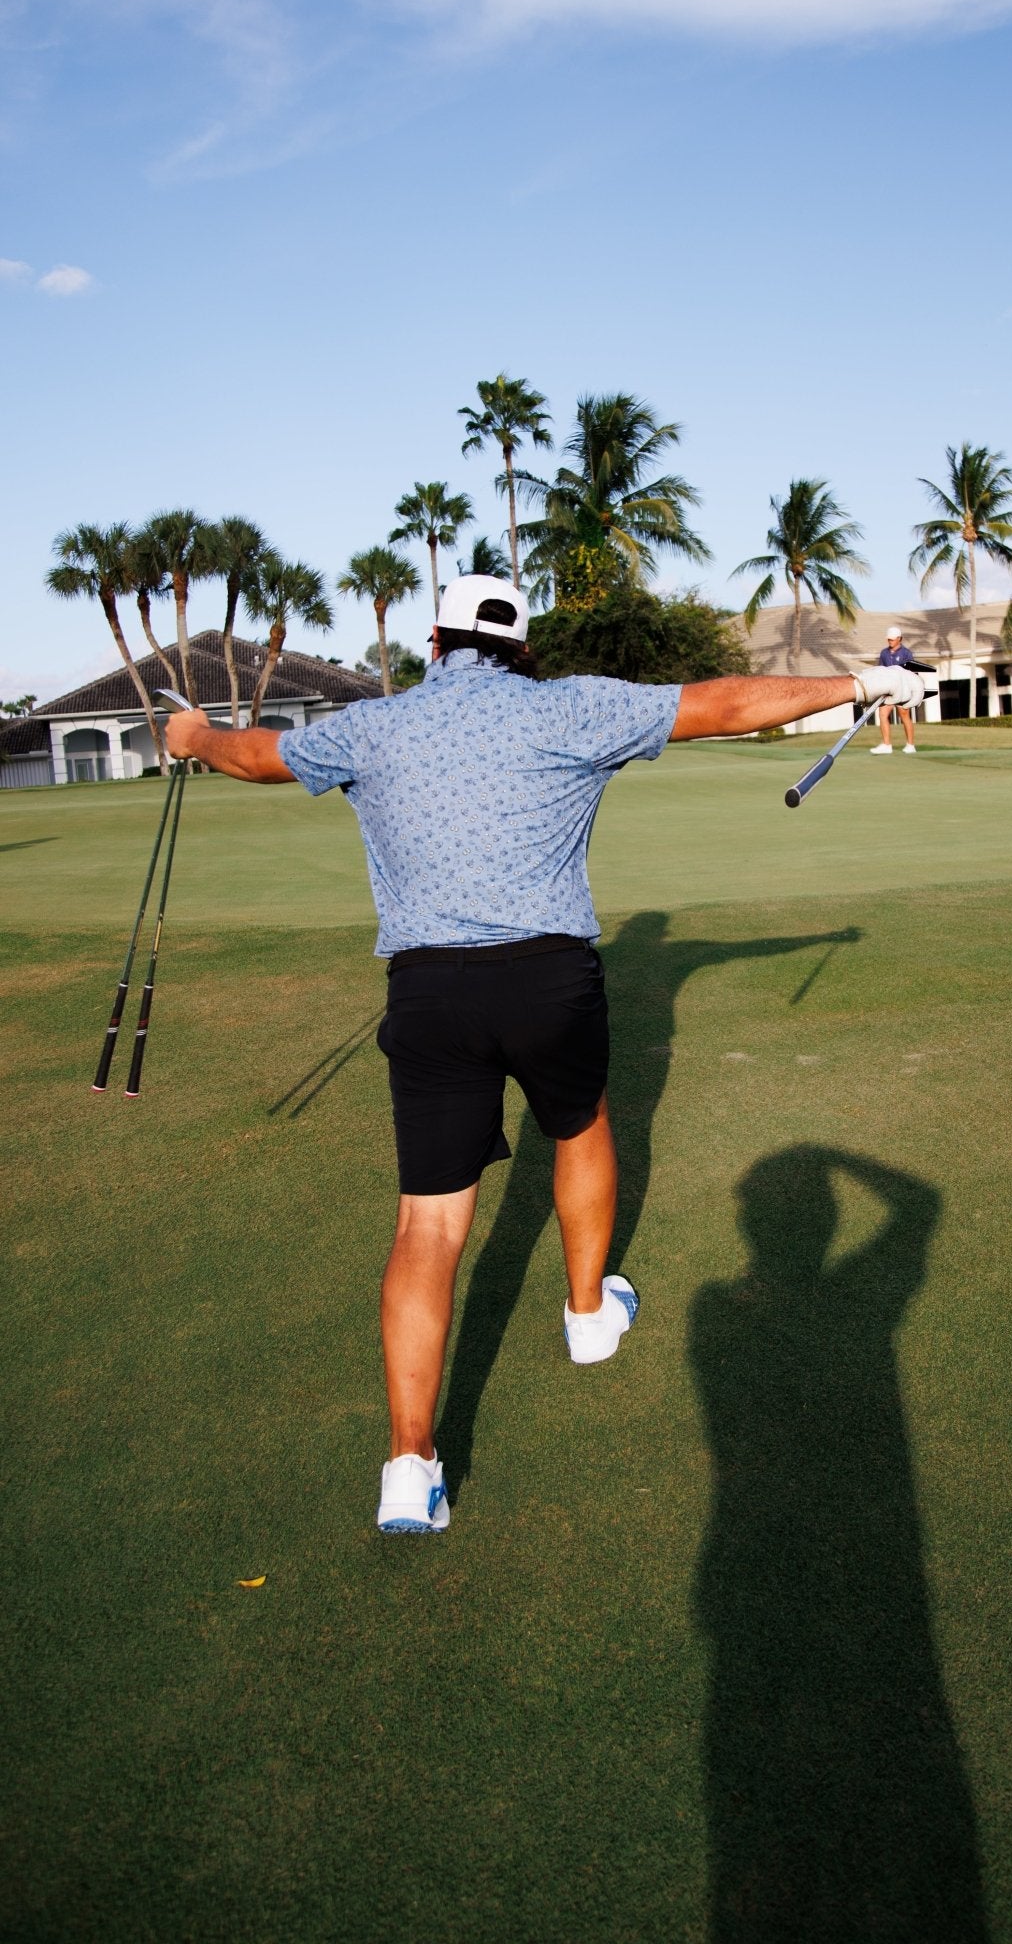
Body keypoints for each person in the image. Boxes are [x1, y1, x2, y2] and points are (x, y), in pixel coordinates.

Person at [163, 574, 918, 1534]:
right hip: (549, 981)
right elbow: (723, 703)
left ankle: (408, 1464)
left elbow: (256, 756)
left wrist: (191, 737)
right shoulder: (572, 704)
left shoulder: (373, 724)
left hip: (429, 992)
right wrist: (859, 687)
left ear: (434, 643)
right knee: (582, 1121)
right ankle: (588, 1317)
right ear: (522, 646)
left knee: (426, 1228)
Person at [869, 625, 921, 755]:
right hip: (888, 689)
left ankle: (910, 745)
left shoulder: (906, 653)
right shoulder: (884, 653)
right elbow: (881, 670)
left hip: (903, 688)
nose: (890, 641)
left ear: (899, 639)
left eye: (892, 639)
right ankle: (887, 745)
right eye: (889, 639)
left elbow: (912, 672)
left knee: (904, 715)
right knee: (882, 714)